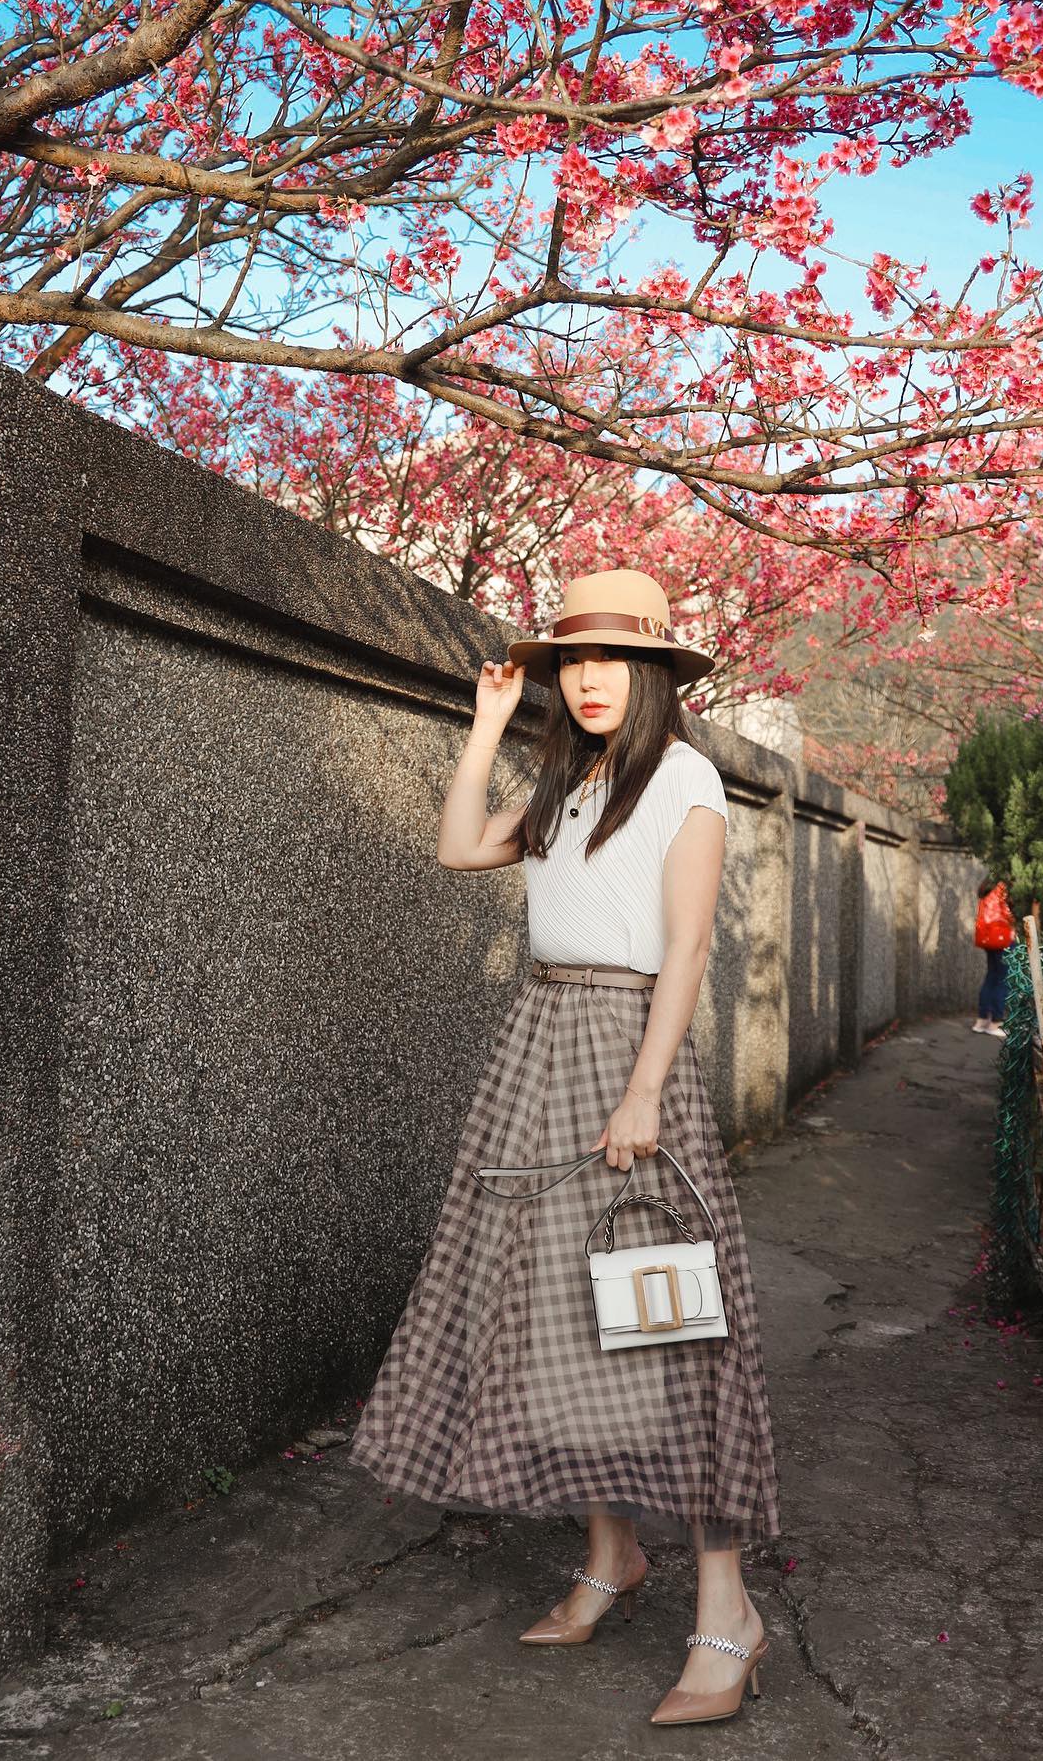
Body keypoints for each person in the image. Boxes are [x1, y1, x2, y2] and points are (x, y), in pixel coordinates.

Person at [348, 568, 780, 1727]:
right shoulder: (564, 779)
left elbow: (688, 950)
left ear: (653, 674)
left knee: (669, 1329)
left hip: (627, 1051)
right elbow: (453, 848)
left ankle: (724, 1609)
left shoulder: (684, 778)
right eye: (570, 660)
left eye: (611, 660)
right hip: (539, 1044)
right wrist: (489, 723)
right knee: (560, 1311)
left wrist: (645, 1089)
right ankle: (610, 1557)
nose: (587, 678)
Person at [972, 878, 1017, 1038]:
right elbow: (1009, 916)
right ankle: (995, 1022)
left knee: (991, 976)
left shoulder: (986, 891)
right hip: (1003, 940)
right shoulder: (1002, 891)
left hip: (988, 940)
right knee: (1003, 979)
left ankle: (982, 1020)